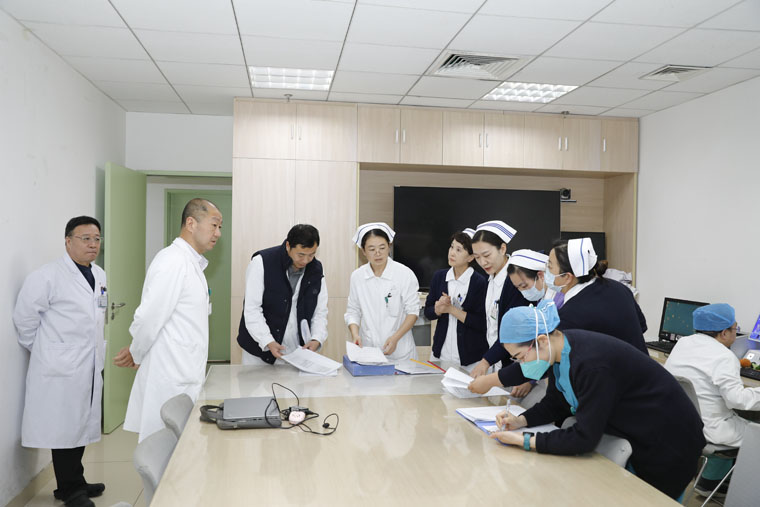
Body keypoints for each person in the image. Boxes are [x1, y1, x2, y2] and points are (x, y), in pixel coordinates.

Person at [491, 301, 705, 501]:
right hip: (634, 433)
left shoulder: (591, 364)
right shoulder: (560, 353)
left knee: (646, 499)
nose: (521, 364)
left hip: (669, 442)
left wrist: (524, 440)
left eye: (520, 357)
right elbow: (556, 403)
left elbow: (584, 437)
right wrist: (521, 421)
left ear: (542, 341)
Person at [469, 238, 649, 395]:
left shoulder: (572, 312)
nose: (546, 271)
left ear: (567, 277)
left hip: (623, 389)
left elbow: (540, 358)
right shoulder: (618, 287)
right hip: (642, 375)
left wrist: (490, 381)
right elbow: (641, 325)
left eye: (550, 266)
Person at [13, 216, 107, 507]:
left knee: (79, 425)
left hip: (87, 363)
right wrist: (49, 352)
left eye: (97, 239)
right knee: (64, 429)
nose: (93, 244)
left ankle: (76, 481)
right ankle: (70, 490)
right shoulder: (47, 276)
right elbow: (24, 320)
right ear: (68, 241)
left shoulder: (98, 274)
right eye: (85, 238)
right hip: (59, 367)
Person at [114, 198, 222, 442]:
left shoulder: (191, 263)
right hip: (170, 373)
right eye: (214, 225)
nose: (218, 233)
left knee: (181, 446)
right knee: (163, 446)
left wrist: (136, 351)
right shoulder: (172, 261)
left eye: (220, 227)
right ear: (191, 223)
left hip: (183, 369)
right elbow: (149, 317)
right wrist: (136, 352)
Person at [665, 303, 760, 497]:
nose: (736, 334)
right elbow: (738, 400)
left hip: (678, 423)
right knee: (754, 431)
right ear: (724, 333)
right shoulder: (724, 357)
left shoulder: (683, 343)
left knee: (734, 418)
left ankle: (709, 482)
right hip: (710, 430)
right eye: (735, 329)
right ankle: (745, 496)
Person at [236, 224, 327, 364]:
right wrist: (267, 340)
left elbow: (320, 311)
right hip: (259, 350)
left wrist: (317, 338)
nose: (305, 261)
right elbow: (252, 309)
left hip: (295, 350)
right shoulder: (262, 262)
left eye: (311, 255)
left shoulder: (316, 269)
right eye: (301, 255)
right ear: (288, 246)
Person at [468, 221, 530, 394]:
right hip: (499, 362)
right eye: (477, 257)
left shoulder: (515, 280)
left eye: (486, 255)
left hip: (517, 365)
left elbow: (514, 331)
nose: (482, 262)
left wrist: (486, 361)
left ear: (502, 249)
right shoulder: (491, 278)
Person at [345, 222, 420, 361]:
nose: (378, 253)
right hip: (369, 351)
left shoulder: (404, 274)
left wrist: (395, 338)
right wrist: (355, 334)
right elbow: (353, 311)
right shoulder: (357, 276)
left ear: (389, 247)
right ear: (363, 251)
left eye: (382, 247)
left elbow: (413, 312)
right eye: (371, 249)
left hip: (401, 352)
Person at [424, 230, 487, 369]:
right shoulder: (439, 277)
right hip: (440, 354)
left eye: (459, 250)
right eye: (452, 247)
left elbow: (481, 323)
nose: (452, 253)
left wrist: (451, 309)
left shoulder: (480, 282)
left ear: (471, 257)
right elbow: (428, 313)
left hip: (470, 359)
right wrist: (438, 309)